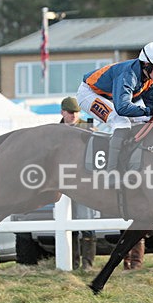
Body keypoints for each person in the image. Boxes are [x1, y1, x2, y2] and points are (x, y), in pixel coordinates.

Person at [76, 41, 153, 186]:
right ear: (146, 64)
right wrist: (151, 110)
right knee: (121, 121)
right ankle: (112, 173)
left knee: (146, 119)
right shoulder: (128, 74)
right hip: (89, 94)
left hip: (110, 99)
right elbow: (122, 108)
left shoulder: (151, 80)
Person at [60, 96, 96, 270]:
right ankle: (72, 262)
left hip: (84, 182)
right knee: (68, 223)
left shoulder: (87, 128)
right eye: (70, 112)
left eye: (76, 112)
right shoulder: (55, 131)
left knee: (86, 223)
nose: (74, 115)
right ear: (63, 112)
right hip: (63, 182)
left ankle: (87, 263)